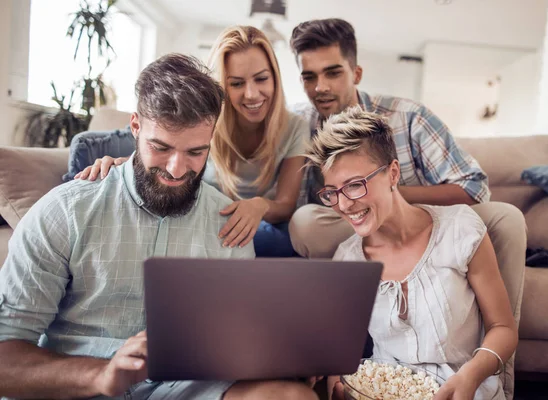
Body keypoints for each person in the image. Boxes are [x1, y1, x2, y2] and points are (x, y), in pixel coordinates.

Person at [0, 53, 317, 400]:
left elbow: (233, 341)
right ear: (135, 128)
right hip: (79, 382)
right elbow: (5, 359)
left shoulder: (229, 223)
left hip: (179, 388)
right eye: (160, 147)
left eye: (196, 151)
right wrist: (101, 376)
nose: (177, 169)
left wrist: (282, 354)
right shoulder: (64, 211)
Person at [287, 18, 525, 399]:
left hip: (424, 213)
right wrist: (336, 376)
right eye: (309, 76)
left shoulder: (407, 117)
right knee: (306, 223)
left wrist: (391, 199)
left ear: (355, 72)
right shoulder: (299, 125)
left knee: (508, 218)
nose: (321, 87)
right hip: (359, 244)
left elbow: (473, 188)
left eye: (332, 72)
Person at [306, 107, 518, 400]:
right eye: (332, 192)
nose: (343, 205)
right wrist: (337, 382)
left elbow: (503, 328)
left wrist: (471, 375)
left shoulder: (460, 229)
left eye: (354, 185)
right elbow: (340, 352)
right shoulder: (347, 260)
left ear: (392, 173)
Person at [75, 26, 310, 257]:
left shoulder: (294, 126)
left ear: (275, 78)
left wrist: (259, 205)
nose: (251, 93)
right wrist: (121, 164)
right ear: (222, 86)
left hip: (256, 223)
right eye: (236, 83)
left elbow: (286, 203)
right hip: (203, 212)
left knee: (278, 241)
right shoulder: (208, 120)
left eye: (261, 79)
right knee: (87, 154)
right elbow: (166, 151)